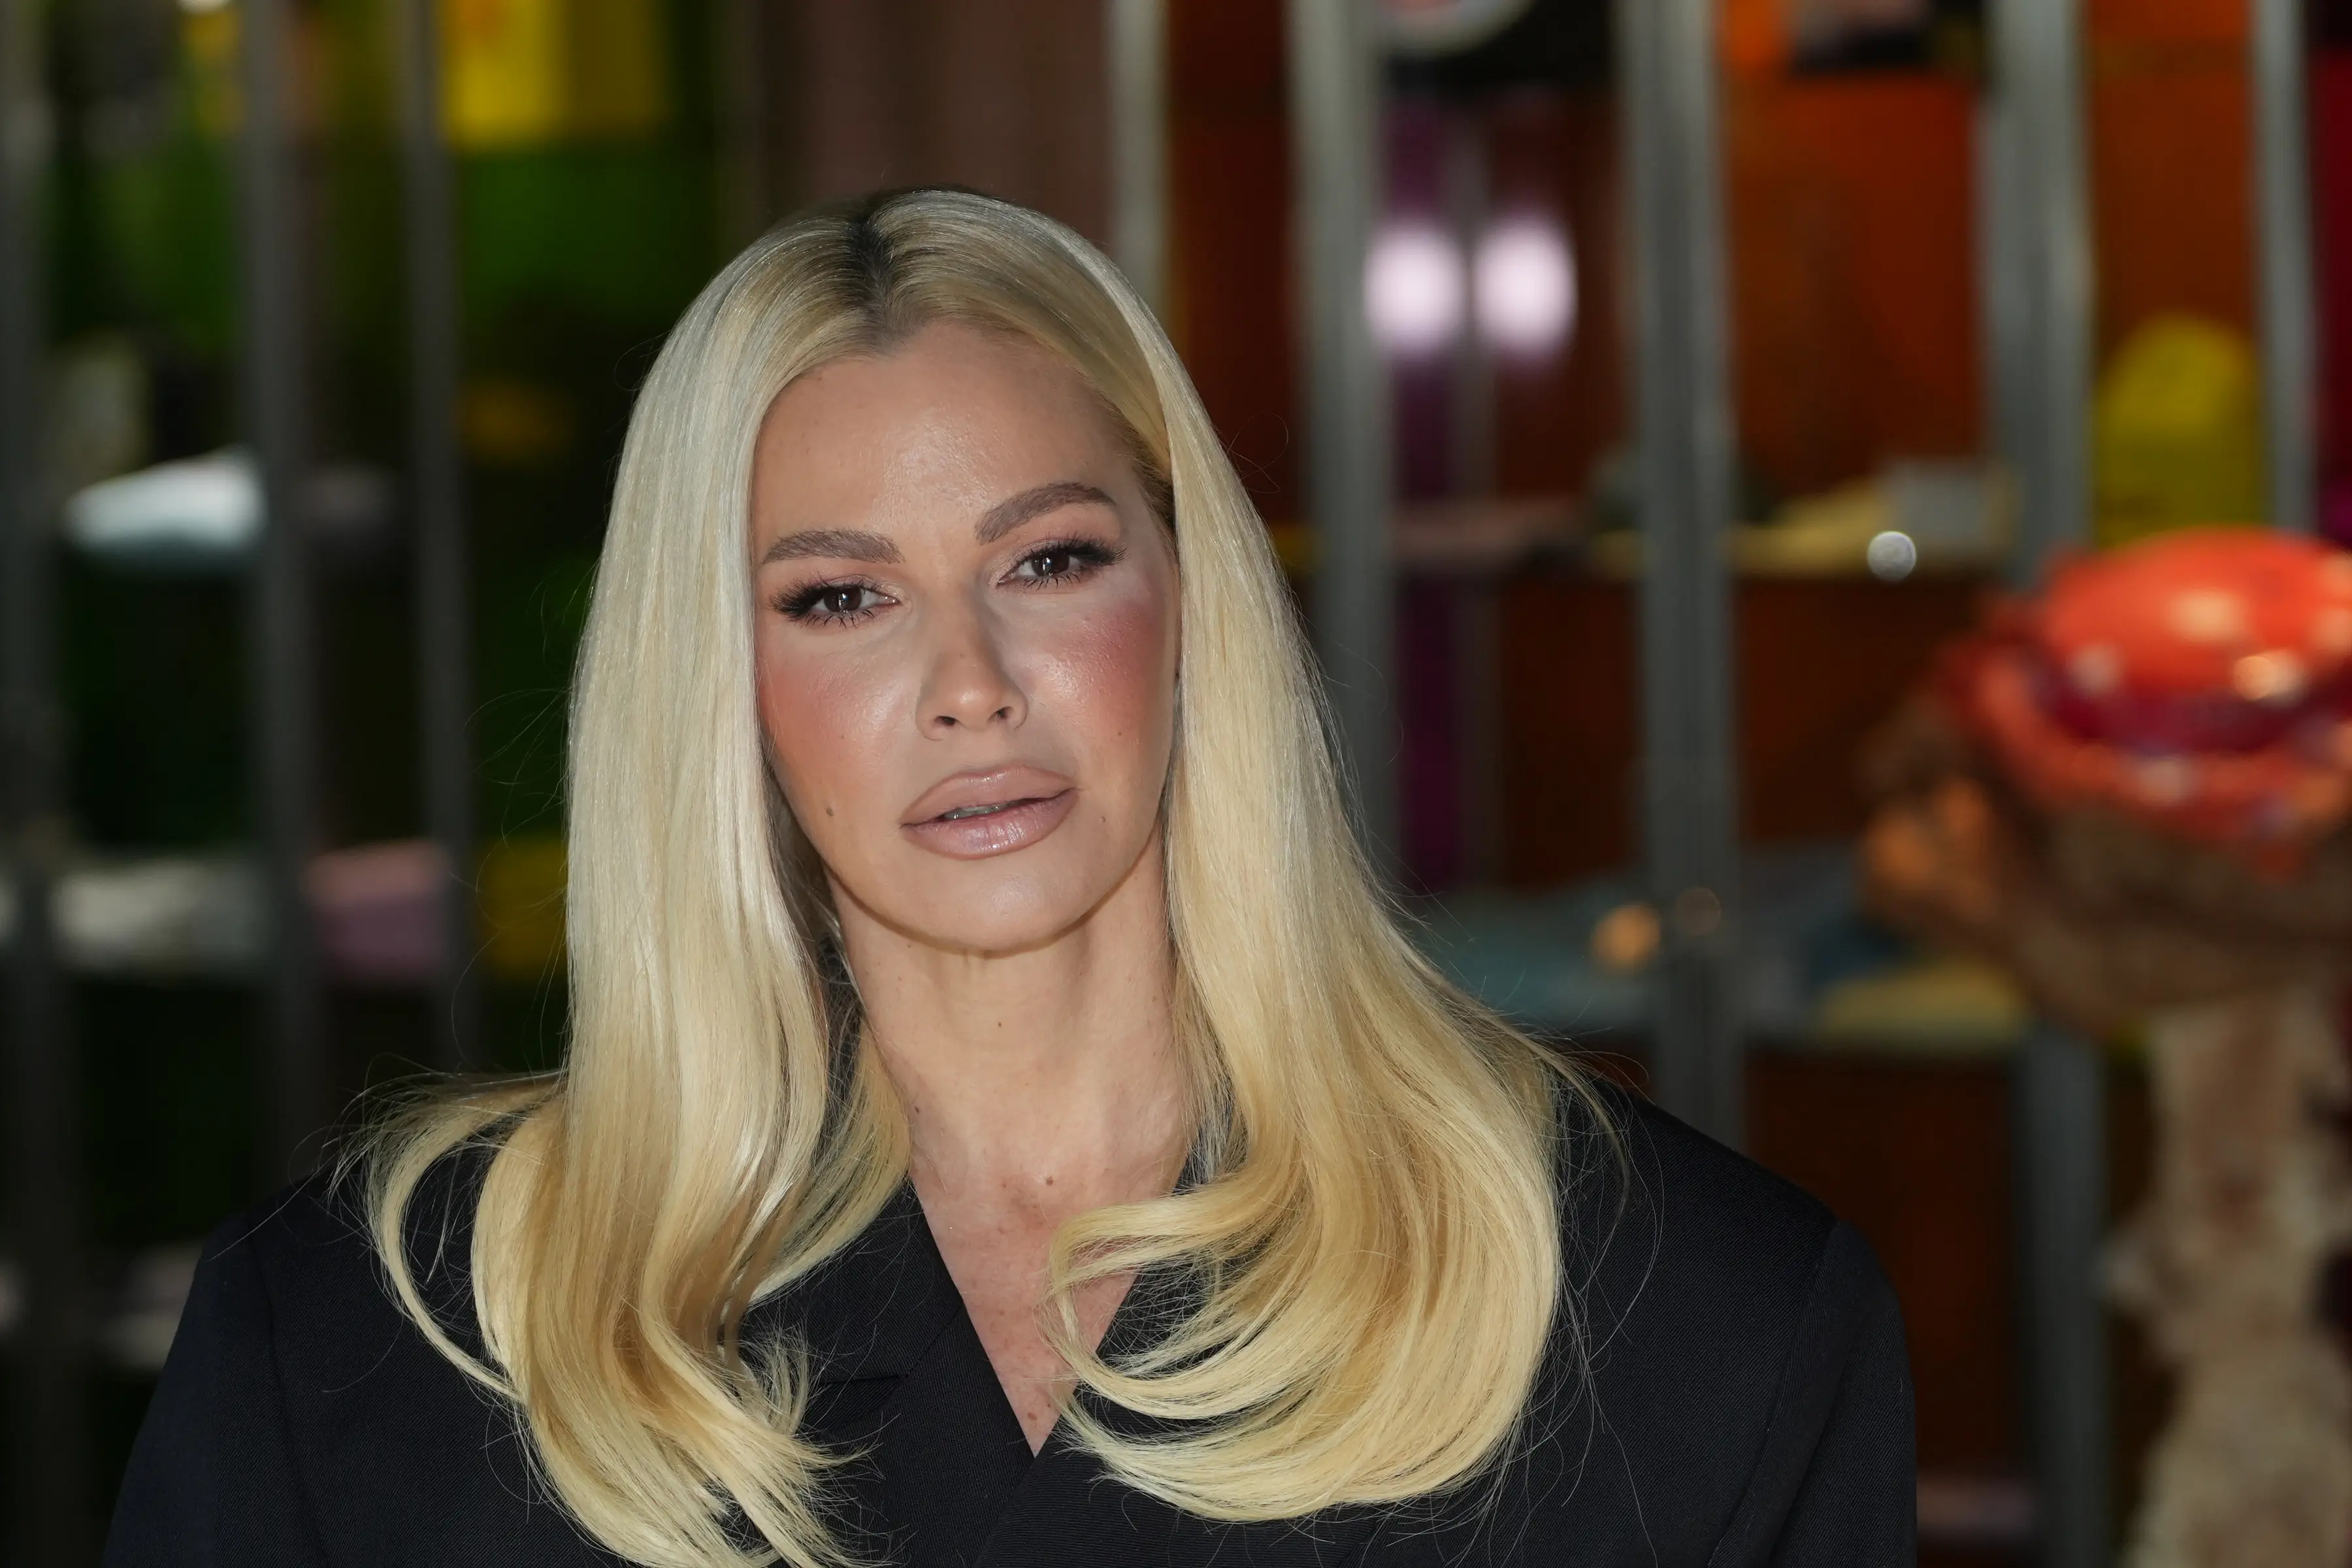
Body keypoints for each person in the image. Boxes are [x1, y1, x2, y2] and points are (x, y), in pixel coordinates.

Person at [105, 189, 1913, 1567]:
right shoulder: (376, 1345)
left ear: (1192, 600)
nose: (967, 681)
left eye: (1048, 560)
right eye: (839, 596)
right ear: (715, 685)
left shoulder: (1692, 1316)